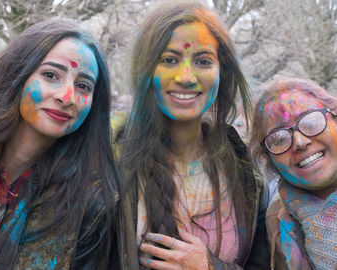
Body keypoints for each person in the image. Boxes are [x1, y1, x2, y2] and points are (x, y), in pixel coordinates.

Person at [116, 1, 270, 269]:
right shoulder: (110, 160)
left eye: (203, 61)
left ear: (221, 71)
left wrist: (210, 266)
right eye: (169, 60)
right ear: (146, 68)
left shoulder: (245, 171)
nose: (186, 76)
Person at [0, 18, 119, 269]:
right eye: (50, 75)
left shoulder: (93, 204)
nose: (67, 97)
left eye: (83, 86)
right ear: (18, 75)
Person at [250, 77, 337, 270]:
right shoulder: (277, 221)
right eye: (279, 138)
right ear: (268, 157)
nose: (299, 142)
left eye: (312, 121)